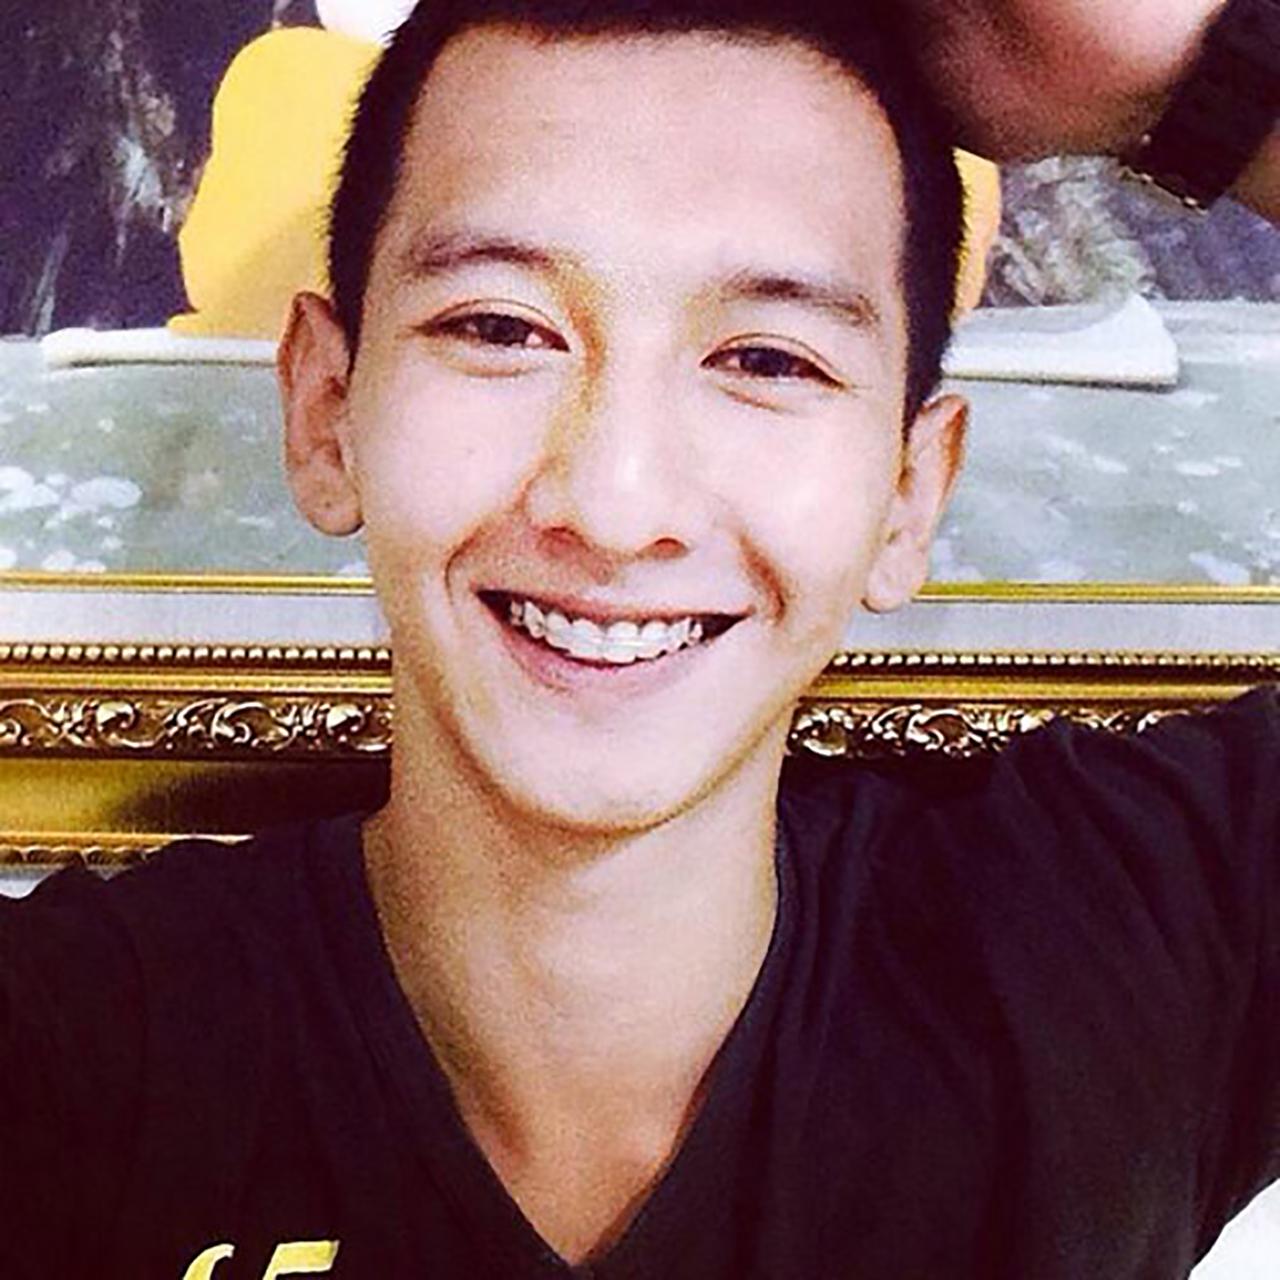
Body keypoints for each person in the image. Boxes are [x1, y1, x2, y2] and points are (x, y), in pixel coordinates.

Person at [2, 1, 1277, 1277]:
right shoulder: (68, 1053)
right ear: (327, 409)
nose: (614, 507)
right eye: (500, 329)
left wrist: (1201, 81)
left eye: (766, 359)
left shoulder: (1122, 946)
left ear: (908, 491)